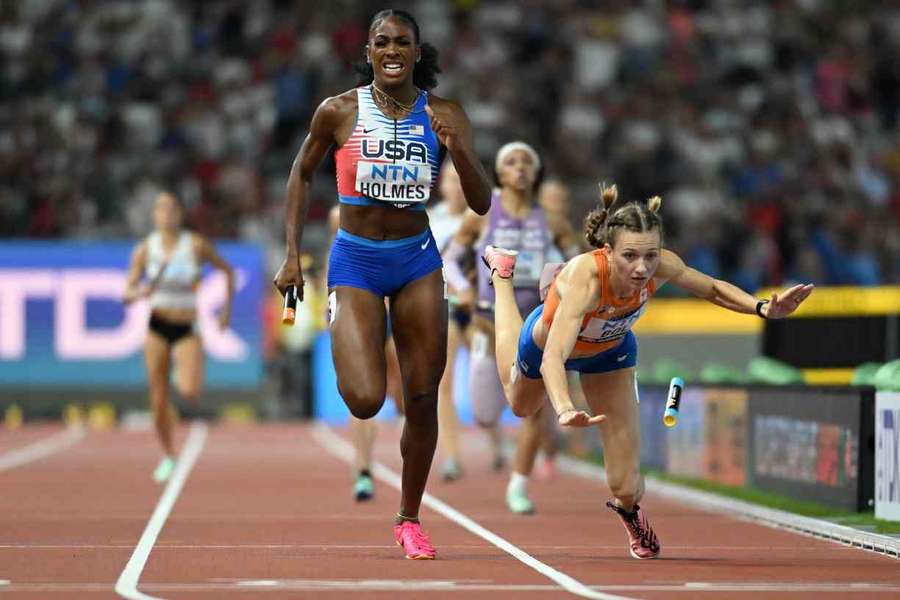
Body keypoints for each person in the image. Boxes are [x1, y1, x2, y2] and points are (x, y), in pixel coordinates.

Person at [482, 183, 813, 559]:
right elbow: (553, 358)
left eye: (650, 256)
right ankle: (502, 279)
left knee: (625, 484)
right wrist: (563, 408)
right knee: (521, 406)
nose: (642, 268)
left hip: (610, 354)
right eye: (630, 256)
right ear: (608, 251)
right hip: (547, 343)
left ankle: (629, 513)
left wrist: (763, 308)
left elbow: (713, 290)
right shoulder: (586, 279)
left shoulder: (662, 265)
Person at [273, 9, 491, 560]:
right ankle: (347, 327)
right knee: (367, 400)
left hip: (418, 259)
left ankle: (409, 517)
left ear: (418, 52)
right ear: (368, 52)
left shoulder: (445, 113)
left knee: (421, 396)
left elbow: (483, 201)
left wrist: (458, 149)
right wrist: (293, 255)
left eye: (403, 42)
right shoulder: (339, 110)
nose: (392, 49)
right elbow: (300, 173)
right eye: (381, 41)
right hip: (355, 260)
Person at [443, 141, 578, 514]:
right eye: (511, 162)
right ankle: (503, 447)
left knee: (532, 411)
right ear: (500, 173)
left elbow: (579, 265)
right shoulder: (483, 214)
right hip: (488, 324)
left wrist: (565, 285)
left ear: (535, 173)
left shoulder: (551, 220)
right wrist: (464, 287)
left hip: (535, 327)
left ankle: (519, 485)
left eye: (526, 162)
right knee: (486, 414)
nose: (519, 168)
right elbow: (450, 260)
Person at [123, 191, 235, 483]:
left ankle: (179, 373)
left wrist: (225, 312)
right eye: (161, 208)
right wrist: (140, 292)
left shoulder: (195, 245)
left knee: (188, 391)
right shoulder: (146, 250)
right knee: (157, 398)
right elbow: (126, 293)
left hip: (187, 328)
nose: (167, 213)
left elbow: (228, 272)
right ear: (154, 216)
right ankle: (169, 454)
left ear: (180, 214)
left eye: (172, 208)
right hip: (158, 325)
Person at [323, 205, 404, 502]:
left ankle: (405, 429)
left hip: (397, 308)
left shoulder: (401, 203)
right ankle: (363, 468)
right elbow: (333, 259)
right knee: (362, 398)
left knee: (401, 392)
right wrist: (332, 302)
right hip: (359, 311)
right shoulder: (339, 214)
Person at [427, 161, 474, 482]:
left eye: (461, 181)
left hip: (480, 308)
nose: (456, 187)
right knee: (444, 384)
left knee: (500, 375)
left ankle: (498, 440)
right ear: (441, 185)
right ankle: (453, 457)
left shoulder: (482, 217)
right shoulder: (431, 219)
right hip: (445, 305)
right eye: (450, 181)